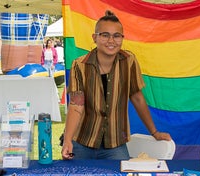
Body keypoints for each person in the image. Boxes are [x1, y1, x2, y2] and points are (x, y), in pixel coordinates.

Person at [61, 10, 172, 160]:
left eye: (116, 36)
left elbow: (137, 97)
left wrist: (154, 132)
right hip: (82, 141)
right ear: (95, 38)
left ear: (122, 38)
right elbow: (76, 105)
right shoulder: (79, 65)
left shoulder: (129, 61)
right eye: (105, 35)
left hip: (115, 144)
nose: (111, 41)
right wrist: (68, 139)